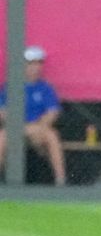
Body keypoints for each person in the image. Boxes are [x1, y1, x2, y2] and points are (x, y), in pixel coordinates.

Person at [0, 46, 66, 185]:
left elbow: (52, 112)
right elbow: (3, 112)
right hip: (15, 129)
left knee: (52, 136)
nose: (35, 68)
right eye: (30, 64)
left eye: (38, 63)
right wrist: (21, 127)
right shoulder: (10, 86)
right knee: (1, 138)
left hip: (39, 130)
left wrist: (38, 127)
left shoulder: (46, 88)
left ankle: (60, 180)